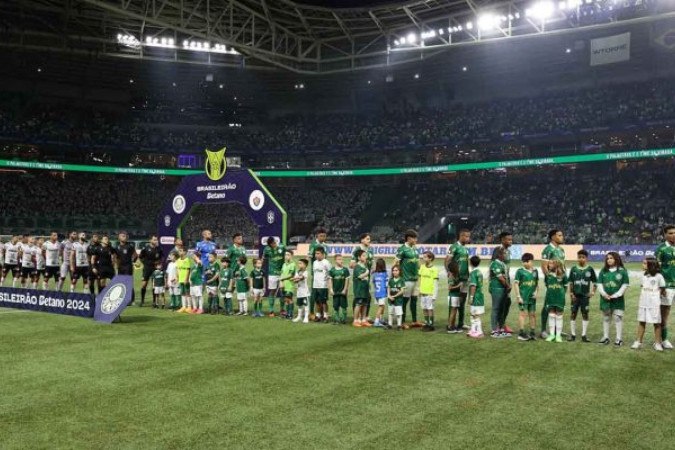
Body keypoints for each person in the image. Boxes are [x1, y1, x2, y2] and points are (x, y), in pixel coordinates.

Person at [631, 257, 666, 351]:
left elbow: (663, 288)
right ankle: (638, 342)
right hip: (643, 302)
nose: (642, 265)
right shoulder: (644, 275)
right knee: (642, 321)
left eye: (644, 263)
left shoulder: (659, 276)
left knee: (657, 323)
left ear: (651, 265)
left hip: (654, 303)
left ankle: (658, 343)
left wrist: (657, 295)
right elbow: (642, 286)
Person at [597, 252, 629, 346]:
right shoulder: (603, 271)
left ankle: (619, 339)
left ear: (616, 259)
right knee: (606, 318)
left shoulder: (622, 271)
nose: (609, 260)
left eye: (611, 258)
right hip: (605, 298)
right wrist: (603, 294)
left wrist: (616, 295)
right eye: (607, 258)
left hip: (617, 299)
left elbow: (625, 284)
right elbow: (599, 284)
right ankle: (605, 337)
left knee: (617, 318)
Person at [540, 229, 566, 338]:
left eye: (562, 235)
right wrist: (550, 279)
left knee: (557, 304)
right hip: (552, 282)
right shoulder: (547, 249)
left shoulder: (561, 250)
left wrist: (564, 277)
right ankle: (543, 330)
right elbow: (544, 266)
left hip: (561, 281)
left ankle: (555, 330)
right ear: (553, 237)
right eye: (559, 235)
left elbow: (562, 266)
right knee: (548, 305)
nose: (562, 237)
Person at [445, 229, 471, 332]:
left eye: (469, 237)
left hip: (465, 278)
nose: (468, 239)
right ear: (461, 236)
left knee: (462, 302)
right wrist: (449, 272)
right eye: (467, 236)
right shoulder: (454, 247)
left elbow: (466, 262)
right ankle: (450, 324)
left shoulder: (465, 248)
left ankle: (461, 323)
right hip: (457, 278)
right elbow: (447, 260)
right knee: (454, 302)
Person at [567, 249, 596, 342]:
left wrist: (593, 292)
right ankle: (573, 335)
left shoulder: (590, 269)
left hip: (585, 297)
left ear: (586, 258)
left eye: (583, 257)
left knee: (585, 314)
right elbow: (571, 282)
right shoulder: (574, 269)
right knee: (573, 314)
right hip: (575, 296)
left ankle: (584, 335)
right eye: (579, 257)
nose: (581, 259)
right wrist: (571, 293)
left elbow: (595, 282)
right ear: (577, 258)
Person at [395, 229, 421, 329]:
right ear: (409, 238)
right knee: (404, 301)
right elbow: (396, 263)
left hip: (415, 279)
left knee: (414, 300)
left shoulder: (415, 248)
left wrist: (422, 271)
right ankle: (401, 322)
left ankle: (414, 321)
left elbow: (418, 263)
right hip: (406, 279)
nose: (416, 240)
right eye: (415, 238)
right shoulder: (402, 249)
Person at [655, 224, 675, 349]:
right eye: (671, 233)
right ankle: (663, 339)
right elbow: (656, 269)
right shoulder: (661, 249)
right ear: (665, 235)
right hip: (667, 286)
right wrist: (661, 287)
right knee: (664, 314)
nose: (674, 235)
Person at [491, 231, 514, 334]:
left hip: (506, 283)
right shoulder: (498, 251)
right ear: (502, 240)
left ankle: (502, 324)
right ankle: (495, 328)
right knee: (497, 306)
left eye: (511, 239)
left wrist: (508, 283)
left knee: (506, 303)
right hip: (498, 283)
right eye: (508, 239)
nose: (510, 241)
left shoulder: (508, 252)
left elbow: (506, 269)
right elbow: (494, 268)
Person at [514, 253, 539, 341]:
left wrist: (536, 292)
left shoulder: (535, 271)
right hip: (523, 297)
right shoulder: (520, 271)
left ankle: (532, 332)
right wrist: (518, 296)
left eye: (527, 262)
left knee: (532, 314)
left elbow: (536, 284)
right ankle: (521, 333)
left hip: (532, 298)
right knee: (522, 314)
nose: (525, 263)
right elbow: (516, 284)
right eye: (523, 262)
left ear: (531, 261)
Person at [350, 233, 374, 320]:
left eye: (369, 239)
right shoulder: (357, 249)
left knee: (367, 296)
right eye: (367, 239)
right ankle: (356, 316)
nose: (369, 240)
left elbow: (372, 262)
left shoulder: (370, 250)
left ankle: (365, 316)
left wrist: (373, 269)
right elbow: (351, 264)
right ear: (362, 240)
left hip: (368, 277)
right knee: (358, 297)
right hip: (360, 277)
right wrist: (361, 267)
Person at [489, 247, 511, 338]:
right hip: (497, 288)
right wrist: (508, 285)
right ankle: (494, 330)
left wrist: (508, 285)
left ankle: (501, 329)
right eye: (504, 253)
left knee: (502, 309)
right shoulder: (495, 263)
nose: (506, 255)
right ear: (499, 254)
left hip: (503, 288)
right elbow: (500, 278)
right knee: (496, 308)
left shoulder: (502, 264)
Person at [544, 260, 568, 343]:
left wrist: (560, 294)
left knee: (559, 316)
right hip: (550, 298)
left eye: (551, 263)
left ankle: (558, 335)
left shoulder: (563, 276)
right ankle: (551, 334)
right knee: (551, 315)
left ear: (556, 265)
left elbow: (565, 287)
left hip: (559, 299)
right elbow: (547, 285)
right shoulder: (548, 275)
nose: (549, 264)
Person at [262, 237, 286, 317]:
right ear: (270, 245)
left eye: (274, 242)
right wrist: (260, 268)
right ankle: (271, 310)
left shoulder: (282, 247)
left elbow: (288, 256)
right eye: (272, 244)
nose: (274, 244)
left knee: (282, 291)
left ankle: (282, 309)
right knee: (272, 291)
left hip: (282, 273)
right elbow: (263, 259)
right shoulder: (267, 249)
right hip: (272, 273)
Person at [308, 228, 328, 319]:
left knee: (322, 294)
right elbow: (309, 257)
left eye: (324, 236)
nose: (323, 237)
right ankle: (311, 312)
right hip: (316, 273)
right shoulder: (313, 245)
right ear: (317, 236)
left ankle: (321, 312)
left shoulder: (326, 246)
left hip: (324, 273)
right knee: (314, 294)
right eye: (321, 236)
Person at [139, 236, 164, 307]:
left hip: (155, 269)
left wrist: (159, 262)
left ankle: (154, 302)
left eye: (156, 240)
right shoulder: (145, 248)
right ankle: (142, 301)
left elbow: (162, 257)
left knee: (154, 285)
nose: (156, 241)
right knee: (144, 285)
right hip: (147, 268)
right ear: (150, 240)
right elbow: (140, 257)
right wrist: (144, 263)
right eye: (154, 240)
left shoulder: (159, 249)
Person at [419, 251, 439, 332]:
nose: (423, 259)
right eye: (423, 257)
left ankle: (431, 324)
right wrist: (419, 289)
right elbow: (420, 279)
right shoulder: (422, 267)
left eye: (425, 257)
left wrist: (434, 295)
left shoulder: (434, 269)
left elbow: (435, 283)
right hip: (422, 292)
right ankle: (426, 323)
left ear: (430, 258)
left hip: (430, 293)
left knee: (430, 308)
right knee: (424, 308)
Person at [115, 231, 137, 305]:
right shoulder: (117, 247)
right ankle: (122, 299)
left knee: (128, 283)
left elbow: (135, 255)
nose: (124, 237)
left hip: (128, 267)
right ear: (119, 237)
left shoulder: (130, 246)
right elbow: (117, 258)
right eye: (122, 236)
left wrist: (133, 261)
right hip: (120, 267)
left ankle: (131, 300)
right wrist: (117, 266)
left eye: (125, 236)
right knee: (121, 283)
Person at [328, 254, 350, 324]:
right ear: (335, 260)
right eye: (339, 259)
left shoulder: (345, 270)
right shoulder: (332, 270)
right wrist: (331, 289)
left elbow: (347, 280)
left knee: (344, 306)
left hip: (342, 292)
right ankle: (337, 319)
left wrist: (345, 289)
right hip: (335, 292)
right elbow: (330, 280)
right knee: (335, 306)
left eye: (342, 259)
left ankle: (343, 319)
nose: (341, 261)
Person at [311, 248, 332, 322]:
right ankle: (318, 315)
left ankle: (326, 316)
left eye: (318, 253)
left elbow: (330, 273)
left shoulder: (326, 262)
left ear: (323, 254)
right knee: (317, 301)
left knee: (323, 301)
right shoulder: (314, 262)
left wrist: (329, 285)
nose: (316, 255)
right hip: (315, 285)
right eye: (315, 253)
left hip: (323, 285)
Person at [467, 256, 486, 339]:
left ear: (470, 263)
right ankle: (473, 330)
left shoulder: (473, 273)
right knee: (473, 314)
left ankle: (479, 332)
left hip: (476, 297)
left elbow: (473, 286)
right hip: (479, 295)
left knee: (476, 315)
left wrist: (471, 297)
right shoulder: (479, 272)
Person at [352, 249, 371, 328]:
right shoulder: (357, 266)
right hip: (359, 289)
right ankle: (355, 320)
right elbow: (360, 276)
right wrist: (367, 273)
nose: (365, 257)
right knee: (358, 304)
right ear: (359, 258)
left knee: (365, 304)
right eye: (363, 255)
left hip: (365, 288)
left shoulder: (365, 265)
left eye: (365, 255)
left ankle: (363, 320)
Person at [387, 265, 406, 330]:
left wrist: (394, 296)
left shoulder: (402, 280)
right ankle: (389, 325)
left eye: (396, 270)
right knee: (390, 313)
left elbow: (402, 291)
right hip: (390, 299)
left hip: (398, 300)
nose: (394, 272)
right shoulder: (391, 280)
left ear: (399, 271)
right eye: (393, 270)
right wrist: (389, 295)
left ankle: (399, 325)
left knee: (399, 313)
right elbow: (388, 288)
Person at [279, 250, 297, 320]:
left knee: (289, 299)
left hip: (290, 285)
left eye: (288, 255)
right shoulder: (284, 264)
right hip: (284, 285)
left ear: (292, 256)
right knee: (286, 300)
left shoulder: (293, 264)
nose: (286, 256)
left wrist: (282, 279)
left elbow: (291, 275)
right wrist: (281, 282)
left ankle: (290, 314)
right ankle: (287, 313)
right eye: (286, 255)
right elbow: (282, 274)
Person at [446, 262, 462, 333]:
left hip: (456, 295)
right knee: (453, 312)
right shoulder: (451, 276)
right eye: (457, 266)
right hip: (453, 296)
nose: (458, 267)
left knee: (455, 312)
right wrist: (458, 286)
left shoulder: (456, 274)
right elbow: (449, 288)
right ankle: (449, 327)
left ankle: (452, 325)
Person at [292, 259, 310, 323]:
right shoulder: (297, 271)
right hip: (299, 291)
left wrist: (295, 279)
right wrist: (295, 279)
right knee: (299, 304)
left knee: (305, 304)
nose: (299, 265)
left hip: (305, 291)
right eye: (299, 263)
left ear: (305, 265)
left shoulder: (306, 272)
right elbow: (295, 281)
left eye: (301, 263)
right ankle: (299, 317)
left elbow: (301, 278)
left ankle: (306, 317)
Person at [372, 258, 388, 328]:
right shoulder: (385, 274)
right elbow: (387, 284)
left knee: (382, 305)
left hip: (376, 293)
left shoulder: (375, 274)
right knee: (380, 307)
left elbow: (373, 282)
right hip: (382, 293)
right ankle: (376, 321)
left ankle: (381, 319)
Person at [176, 248, 192, 313]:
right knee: (182, 293)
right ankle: (183, 307)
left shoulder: (187, 260)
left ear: (185, 252)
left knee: (187, 293)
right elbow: (177, 269)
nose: (179, 252)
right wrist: (177, 277)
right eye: (179, 251)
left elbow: (188, 270)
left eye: (181, 251)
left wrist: (186, 279)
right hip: (180, 279)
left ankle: (189, 307)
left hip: (185, 279)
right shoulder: (178, 260)